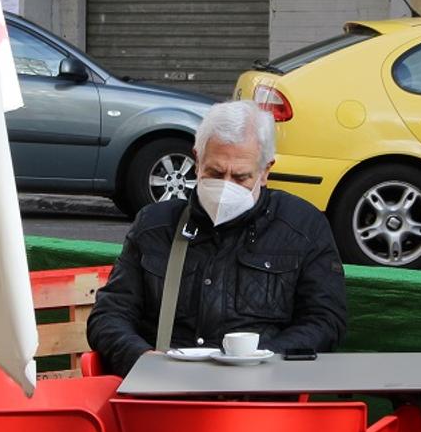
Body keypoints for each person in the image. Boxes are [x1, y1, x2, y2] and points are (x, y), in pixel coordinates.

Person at [86, 100, 346, 377]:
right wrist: (142, 358)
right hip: (166, 389)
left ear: (266, 171)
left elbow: (326, 321)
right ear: (197, 161)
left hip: (260, 393)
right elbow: (109, 315)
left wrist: (262, 359)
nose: (226, 186)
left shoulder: (303, 227)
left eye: (241, 177)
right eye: (215, 173)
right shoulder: (155, 225)